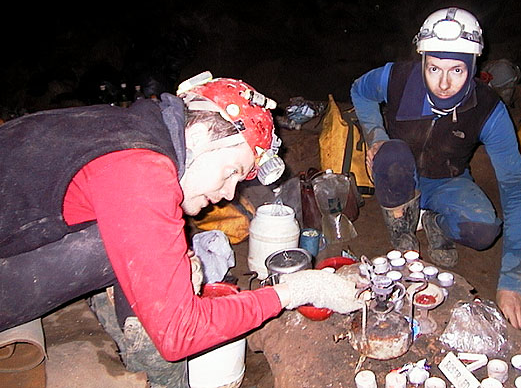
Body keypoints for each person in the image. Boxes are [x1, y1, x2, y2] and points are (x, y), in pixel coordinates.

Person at [0, 72, 363, 387]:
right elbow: (181, 334)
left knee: (129, 248)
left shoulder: (137, 128)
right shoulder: (142, 170)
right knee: (119, 258)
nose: (228, 194)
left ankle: (137, 343)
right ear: (200, 134)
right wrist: (293, 291)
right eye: (232, 172)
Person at [350, 7, 521, 329]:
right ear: (422, 59)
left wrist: (511, 283)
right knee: (391, 155)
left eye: (457, 70)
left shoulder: (488, 109)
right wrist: (376, 135)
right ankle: (402, 231)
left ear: (473, 66)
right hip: (399, 173)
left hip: (448, 180)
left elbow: (516, 188)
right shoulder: (396, 78)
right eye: (434, 68)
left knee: (484, 230)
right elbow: (360, 91)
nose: (444, 83)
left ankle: (433, 222)